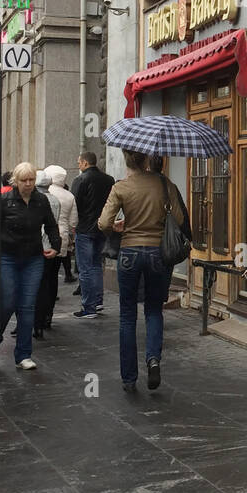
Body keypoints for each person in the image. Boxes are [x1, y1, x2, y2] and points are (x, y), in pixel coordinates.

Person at [97, 149, 189, 392]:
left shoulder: (121, 187)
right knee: (153, 309)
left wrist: (120, 227)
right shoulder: (165, 184)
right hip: (158, 254)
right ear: (147, 160)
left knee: (127, 315)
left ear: (127, 161)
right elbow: (179, 220)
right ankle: (153, 360)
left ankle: (129, 378)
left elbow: (104, 223)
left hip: (129, 254)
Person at [0, 162, 59, 370]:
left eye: (31, 180)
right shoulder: (5, 201)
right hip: (7, 257)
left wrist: (55, 245)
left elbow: (51, 225)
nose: (28, 184)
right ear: (15, 181)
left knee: (27, 306)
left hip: (33, 259)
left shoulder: (41, 200)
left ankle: (24, 355)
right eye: (24, 180)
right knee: (7, 302)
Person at [71, 150, 113, 319]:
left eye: (79, 163)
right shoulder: (108, 180)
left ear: (86, 163)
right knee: (96, 265)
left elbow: (75, 204)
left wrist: (73, 225)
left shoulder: (80, 179)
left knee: (85, 268)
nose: (79, 166)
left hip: (85, 228)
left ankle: (89, 306)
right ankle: (97, 301)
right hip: (101, 228)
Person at [33, 169, 62, 339]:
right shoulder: (55, 199)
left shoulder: (40, 200)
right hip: (51, 246)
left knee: (37, 287)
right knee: (47, 284)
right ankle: (45, 318)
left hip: (41, 246)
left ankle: (37, 321)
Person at [44, 165, 78, 284]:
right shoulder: (69, 195)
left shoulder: (43, 193)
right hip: (62, 235)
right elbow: (73, 221)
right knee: (54, 271)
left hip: (44, 235)